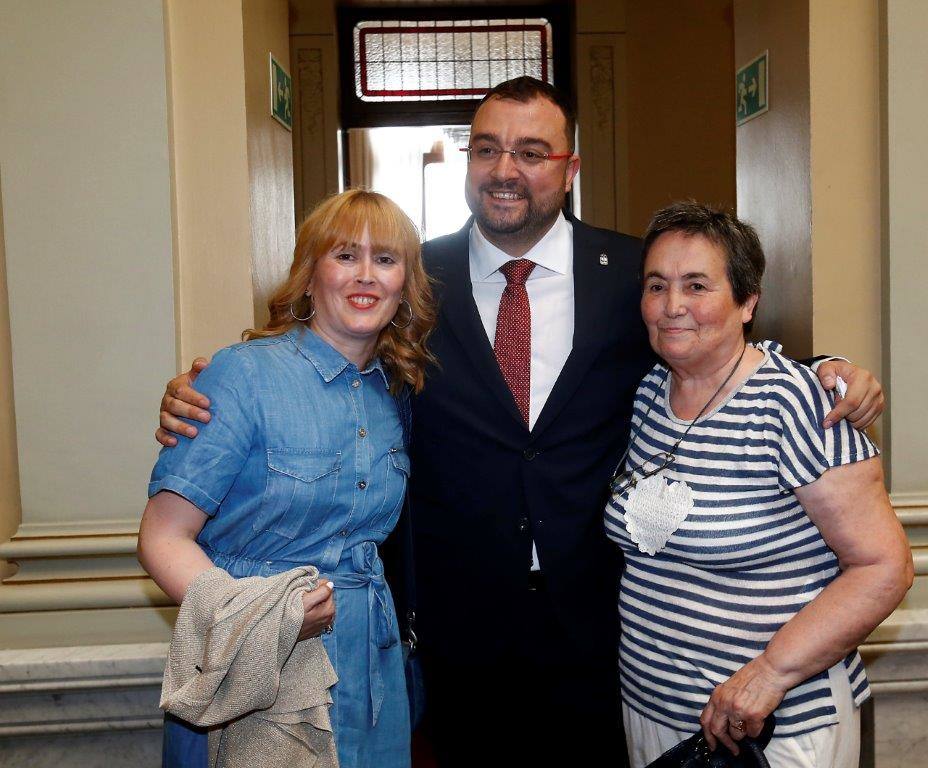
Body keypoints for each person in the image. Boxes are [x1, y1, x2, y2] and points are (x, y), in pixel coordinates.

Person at [154, 78, 886, 767]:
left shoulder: (630, 274)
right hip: (456, 632)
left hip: (603, 632)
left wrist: (831, 369)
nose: (506, 169)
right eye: (487, 148)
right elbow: (319, 367)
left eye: (532, 152)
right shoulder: (411, 279)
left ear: (569, 168)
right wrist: (210, 388)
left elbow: (708, 339)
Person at [605, 202, 912, 767]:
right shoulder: (649, 393)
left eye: (697, 285)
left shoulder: (796, 403)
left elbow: (883, 567)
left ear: (748, 302)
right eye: (657, 285)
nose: (673, 306)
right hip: (653, 710)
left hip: (774, 726)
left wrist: (769, 674)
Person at [138, 189, 435, 768]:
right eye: (345, 256)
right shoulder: (240, 376)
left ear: (406, 287)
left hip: (368, 664)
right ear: (307, 276)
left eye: (386, 259)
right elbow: (162, 536)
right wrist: (267, 615)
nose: (365, 276)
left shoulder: (395, 392)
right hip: (255, 671)